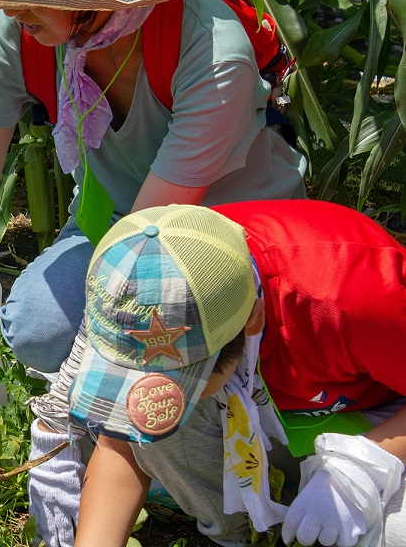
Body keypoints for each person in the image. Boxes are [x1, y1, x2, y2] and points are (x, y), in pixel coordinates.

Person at [0, 0, 306, 544]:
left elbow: (140, 273)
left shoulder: (211, 49)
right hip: (119, 225)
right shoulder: (15, 30)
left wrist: (58, 420)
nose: (6, 7)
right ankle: (123, 435)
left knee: (181, 364)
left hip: (229, 240)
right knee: (37, 327)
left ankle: (194, 474)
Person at [66, 201, 406, 547]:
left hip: (374, 419)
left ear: (253, 320)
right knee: (161, 414)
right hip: (271, 405)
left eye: (184, 377)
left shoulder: (352, 297)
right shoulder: (155, 272)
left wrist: (364, 463)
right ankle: (235, 534)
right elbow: (119, 444)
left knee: (393, 532)